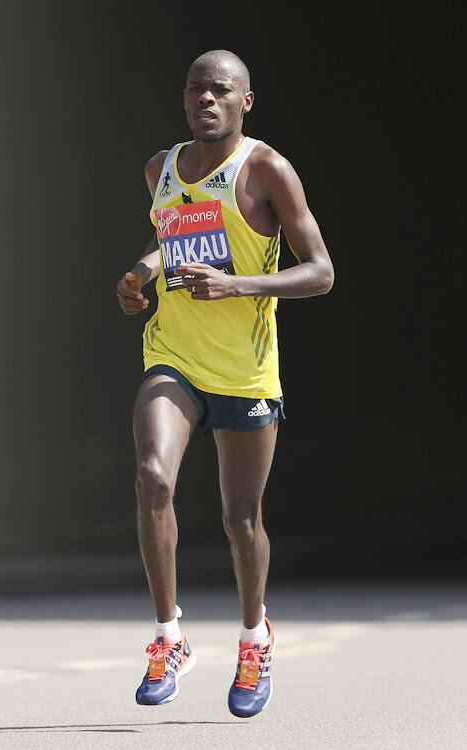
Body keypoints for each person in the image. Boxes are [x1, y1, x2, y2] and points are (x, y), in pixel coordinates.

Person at [116, 49, 334, 718]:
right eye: (195, 89)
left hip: (245, 370)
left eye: (219, 90)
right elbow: (174, 243)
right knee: (153, 476)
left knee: (240, 521)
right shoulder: (160, 168)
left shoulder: (267, 170)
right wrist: (142, 274)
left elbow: (321, 272)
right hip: (174, 356)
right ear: (184, 98)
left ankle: (253, 638)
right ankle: (168, 636)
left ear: (245, 101)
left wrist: (237, 285)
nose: (205, 99)